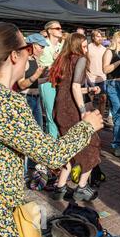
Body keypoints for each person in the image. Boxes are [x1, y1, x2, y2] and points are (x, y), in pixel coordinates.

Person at [0, 22, 103, 237]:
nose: (30, 55)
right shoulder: (5, 102)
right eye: (27, 49)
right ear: (13, 56)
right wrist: (87, 126)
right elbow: (51, 155)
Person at [48, 33, 102, 201]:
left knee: (69, 147)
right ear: (77, 46)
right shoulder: (80, 59)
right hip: (72, 111)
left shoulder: (62, 60)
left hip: (60, 109)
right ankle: (82, 187)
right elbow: (75, 86)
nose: (86, 50)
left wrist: (89, 90)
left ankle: (60, 187)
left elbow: (68, 88)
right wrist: (82, 111)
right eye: (84, 46)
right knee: (92, 145)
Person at [17, 33, 49, 182]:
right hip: (26, 99)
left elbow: (36, 82)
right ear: (32, 45)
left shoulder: (35, 59)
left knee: (37, 133)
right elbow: (21, 84)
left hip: (36, 99)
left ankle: (31, 165)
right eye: (41, 47)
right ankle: (22, 174)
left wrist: (49, 78)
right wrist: (37, 75)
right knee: (26, 135)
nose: (42, 50)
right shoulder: (23, 61)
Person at [38, 21, 64, 138]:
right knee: (51, 114)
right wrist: (54, 63)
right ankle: (52, 141)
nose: (60, 30)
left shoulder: (62, 46)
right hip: (47, 81)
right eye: (57, 28)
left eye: (60, 28)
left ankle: (59, 139)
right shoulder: (42, 45)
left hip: (61, 82)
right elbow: (37, 64)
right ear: (49, 31)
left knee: (60, 113)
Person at [87, 30, 108, 118]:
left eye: (101, 37)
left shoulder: (105, 49)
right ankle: (90, 119)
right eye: (98, 36)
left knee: (103, 99)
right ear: (93, 37)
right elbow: (85, 62)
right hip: (90, 77)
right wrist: (86, 73)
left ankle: (101, 118)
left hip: (102, 78)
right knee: (90, 101)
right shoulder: (88, 47)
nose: (100, 38)